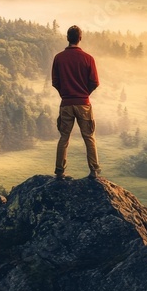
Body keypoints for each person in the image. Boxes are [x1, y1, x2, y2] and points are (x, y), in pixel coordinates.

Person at [51, 24, 100, 179]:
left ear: (67, 38)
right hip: (84, 103)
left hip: (66, 104)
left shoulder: (59, 58)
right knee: (89, 136)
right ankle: (94, 171)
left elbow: (55, 81)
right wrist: (84, 94)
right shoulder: (88, 58)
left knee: (64, 138)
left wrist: (65, 95)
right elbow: (95, 82)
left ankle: (60, 171)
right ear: (80, 38)